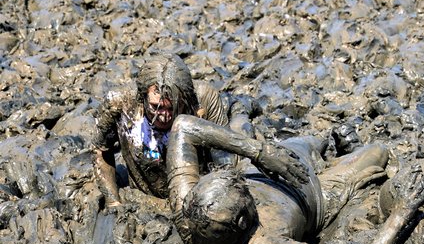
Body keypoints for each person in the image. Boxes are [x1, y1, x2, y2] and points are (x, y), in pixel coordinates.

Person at [165, 115, 424, 244]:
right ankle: (338, 149)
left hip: (274, 161)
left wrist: (259, 152)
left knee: (307, 142)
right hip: (316, 194)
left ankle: (326, 141)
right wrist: (401, 214)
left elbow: (184, 127)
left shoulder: (186, 210)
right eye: (244, 192)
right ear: (243, 222)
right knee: (377, 151)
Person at [92, 53, 308, 207]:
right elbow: (101, 151)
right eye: (155, 107)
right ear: (142, 97)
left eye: (171, 109)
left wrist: (199, 125)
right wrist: (113, 202)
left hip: (194, 191)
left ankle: (241, 107)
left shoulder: (202, 98)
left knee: (240, 131)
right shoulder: (119, 104)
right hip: (147, 192)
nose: (164, 116)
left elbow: (225, 162)